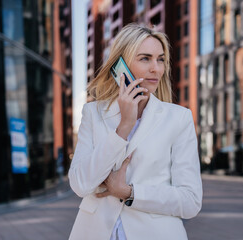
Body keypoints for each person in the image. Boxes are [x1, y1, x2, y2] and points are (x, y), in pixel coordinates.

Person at [68, 23, 202, 240]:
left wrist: (130, 193)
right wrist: (123, 128)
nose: (156, 69)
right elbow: (80, 184)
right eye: (145, 58)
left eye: (160, 60)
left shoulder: (179, 118)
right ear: (121, 64)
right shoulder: (93, 113)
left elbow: (190, 201)